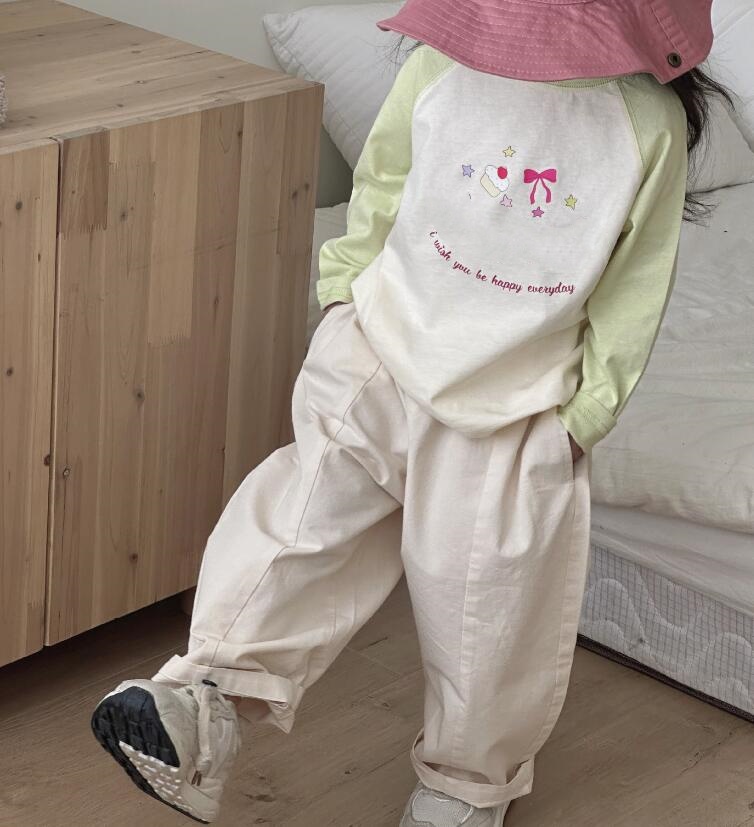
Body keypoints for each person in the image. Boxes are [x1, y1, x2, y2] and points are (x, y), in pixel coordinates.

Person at [90, 1, 730, 824]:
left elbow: (635, 287)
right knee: (300, 521)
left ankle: (465, 785)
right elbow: (385, 179)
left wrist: (586, 414)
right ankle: (199, 703)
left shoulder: (646, 124)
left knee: (487, 605)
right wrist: (341, 294)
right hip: (379, 350)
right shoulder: (440, 66)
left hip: (514, 406)